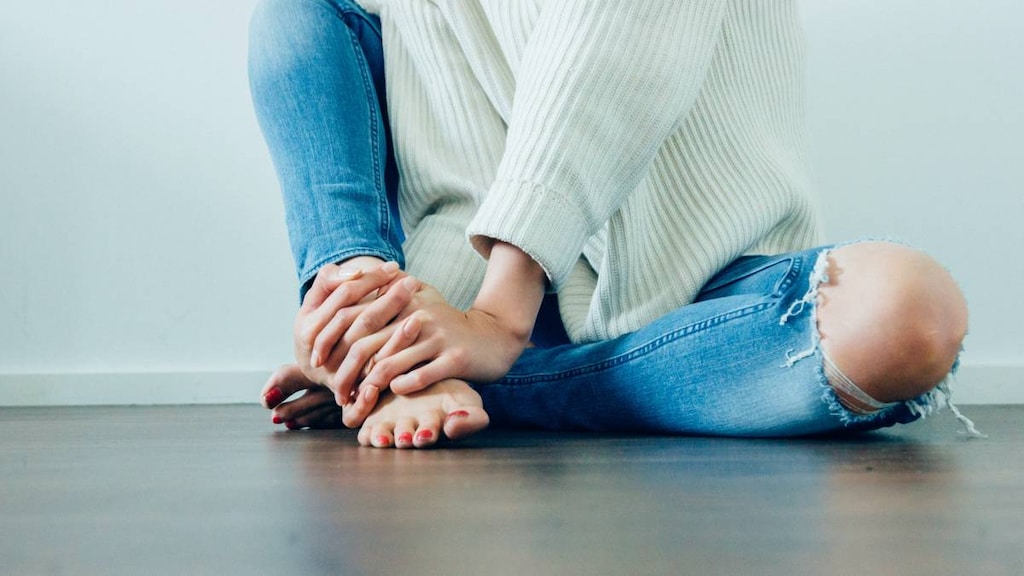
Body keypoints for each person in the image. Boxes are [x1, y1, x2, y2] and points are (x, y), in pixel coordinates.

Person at [247, 0, 978, 449]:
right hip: (498, 290)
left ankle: (473, 383)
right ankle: (364, 326)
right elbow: (457, 166)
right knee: (298, 15)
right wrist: (410, 324)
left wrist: (497, 323)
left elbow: (607, 57)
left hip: (707, 291)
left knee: (908, 313)